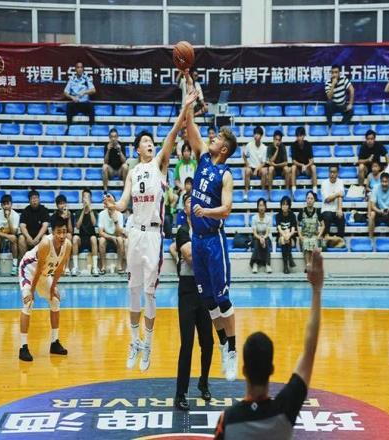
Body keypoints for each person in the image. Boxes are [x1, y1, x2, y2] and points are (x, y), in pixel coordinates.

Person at [103, 89, 194, 372]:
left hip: (154, 235)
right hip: (135, 233)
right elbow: (124, 203)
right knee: (133, 291)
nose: (150, 144)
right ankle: (135, 342)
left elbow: (173, 133)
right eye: (145, 142)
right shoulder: (132, 172)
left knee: (150, 293)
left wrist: (185, 108)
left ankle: (149, 345)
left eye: (151, 141)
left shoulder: (159, 165)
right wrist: (113, 206)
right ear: (137, 149)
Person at [214, 249, 324, 440]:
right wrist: (317, 289)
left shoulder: (228, 420)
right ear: (272, 369)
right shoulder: (285, 409)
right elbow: (310, 351)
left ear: (244, 370)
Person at [184, 70, 239, 381]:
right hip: (198, 241)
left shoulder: (226, 175)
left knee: (223, 299)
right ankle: (222, 344)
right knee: (208, 302)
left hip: (214, 241)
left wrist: (206, 210)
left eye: (217, 138)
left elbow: (227, 210)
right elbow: (190, 127)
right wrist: (189, 100)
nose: (212, 138)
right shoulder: (203, 158)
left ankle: (232, 349)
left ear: (225, 149)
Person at [174, 194, 214, 411]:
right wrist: (208, 254)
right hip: (188, 289)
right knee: (187, 343)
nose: (192, 203)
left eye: (194, 200)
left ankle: (203, 382)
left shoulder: (207, 229)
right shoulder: (182, 231)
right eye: (188, 201)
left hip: (205, 289)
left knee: (208, 342)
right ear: (185, 208)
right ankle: (180, 393)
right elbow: (190, 257)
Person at [18, 216, 72, 362]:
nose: (62, 235)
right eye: (58, 232)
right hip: (29, 270)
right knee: (28, 303)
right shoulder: (45, 243)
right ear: (52, 232)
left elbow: (60, 268)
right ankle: (23, 347)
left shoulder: (67, 245)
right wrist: (31, 291)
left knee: (55, 300)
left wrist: (53, 287)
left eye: (64, 232)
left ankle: (54, 343)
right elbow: (38, 269)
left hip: (43, 274)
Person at [73, 189, 99, 277]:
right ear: (82, 199)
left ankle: (95, 267)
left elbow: (94, 223)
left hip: (91, 239)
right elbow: (77, 226)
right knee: (75, 238)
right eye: (84, 197)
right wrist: (83, 211)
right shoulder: (78, 212)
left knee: (94, 238)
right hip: (82, 239)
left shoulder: (94, 212)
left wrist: (89, 210)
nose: (86, 199)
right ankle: (75, 267)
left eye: (87, 197)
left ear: (90, 199)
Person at [64, 60, 96, 129]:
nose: (80, 69)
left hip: (84, 104)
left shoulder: (86, 79)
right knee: (69, 106)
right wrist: (72, 97)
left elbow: (93, 90)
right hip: (75, 104)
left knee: (91, 107)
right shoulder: (71, 80)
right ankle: (69, 127)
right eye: (78, 67)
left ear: (83, 69)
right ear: (75, 69)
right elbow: (65, 92)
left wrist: (84, 92)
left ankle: (91, 128)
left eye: (81, 67)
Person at [0, 194, 19, 276]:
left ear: (11, 204)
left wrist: (8, 219)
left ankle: (15, 265)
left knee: (14, 238)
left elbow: (14, 232)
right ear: (1, 205)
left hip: (11, 235)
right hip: (1, 236)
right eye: (4, 204)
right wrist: (8, 236)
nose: (6, 206)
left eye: (8, 204)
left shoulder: (16, 215)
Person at [98, 196, 125, 274]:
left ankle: (119, 266)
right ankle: (103, 267)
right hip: (106, 236)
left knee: (120, 240)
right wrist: (111, 237)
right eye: (107, 201)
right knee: (101, 240)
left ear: (114, 203)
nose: (108, 202)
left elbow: (119, 233)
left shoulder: (119, 214)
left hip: (116, 236)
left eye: (110, 200)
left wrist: (115, 220)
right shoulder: (101, 214)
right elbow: (100, 232)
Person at [50, 194, 76, 276]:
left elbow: (71, 231)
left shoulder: (70, 215)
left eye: (64, 203)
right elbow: (54, 231)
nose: (62, 205)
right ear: (57, 206)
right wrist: (62, 218)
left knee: (69, 236)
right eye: (60, 204)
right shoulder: (54, 216)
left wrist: (68, 218)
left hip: (66, 238)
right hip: (57, 236)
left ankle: (66, 267)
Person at [18, 190, 50, 257]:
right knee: (21, 238)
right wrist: (28, 237)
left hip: (40, 236)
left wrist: (38, 238)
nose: (34, 200)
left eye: (36, 198)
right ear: (29, 200)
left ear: (39, 199)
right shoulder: (25, 211)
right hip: (29, 237)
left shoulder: (44, 210)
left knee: (45, 238)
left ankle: (42, 261)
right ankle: (25, 260)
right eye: (32, 198)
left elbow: (45, 225)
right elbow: (22, 226)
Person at [368, 172, 389, 239]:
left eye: (386, 182)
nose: (384, 184)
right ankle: (370, 238)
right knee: (372, 214)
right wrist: (380, 211)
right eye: (382, 181)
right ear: (380, 181)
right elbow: (372, 206)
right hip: (379, 212)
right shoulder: (375, 188)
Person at [298, 191, 324, 270]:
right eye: (308, 198)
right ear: (306, 199)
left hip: (314, 235)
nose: (309, 200)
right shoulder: (302, 211)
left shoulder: (318, 212)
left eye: (311, 198)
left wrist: (319, 236)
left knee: (313, 242)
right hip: (305, 235)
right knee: (306, 242)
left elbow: (323, 225)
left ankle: (311, 265)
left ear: (314, 200)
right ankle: (308, 265)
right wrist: (300, 236)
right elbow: (297, 225)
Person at [321, 164, 345, 239]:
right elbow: (327, 200)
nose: (332, 174)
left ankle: (340, 239)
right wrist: (337, 194)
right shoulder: (324, 183)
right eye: (330, 172)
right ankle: (326, 238)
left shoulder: (340, 182)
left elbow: (340, 196)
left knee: (341, 217)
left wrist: (340, 209)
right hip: (326, 210)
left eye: (334, 172)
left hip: (336, 210)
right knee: (327, 216)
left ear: (337, 173)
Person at [243, 126, 267, 200]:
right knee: (247, 170)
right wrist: (247, 164)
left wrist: (256, 169)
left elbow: (263, 163)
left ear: (261, 136)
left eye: (258, 134)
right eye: (255, 134)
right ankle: (246, 192)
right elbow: (244, 155)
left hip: (259, 169)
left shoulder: (264, 148)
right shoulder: (249, 145)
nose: (256, 136)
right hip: (251, 168)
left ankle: (262, 191)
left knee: (264, 171)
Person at [291, 126, 317, 194]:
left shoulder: (308, 144)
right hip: (298, 169)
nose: (299, 138)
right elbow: (293, 161)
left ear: (304, 136)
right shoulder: (293, 145)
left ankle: (315, 191)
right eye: (297, 136)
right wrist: (301, 165)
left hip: (307, 168)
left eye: (300, 136)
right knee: (293, 167)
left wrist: (306, 166)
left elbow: (312, 160)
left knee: (313, 167)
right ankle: (294, 191)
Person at [250, 198, 272, 274]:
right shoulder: (254, 218)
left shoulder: (269, 218)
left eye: (263, 205)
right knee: (257, 242)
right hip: (256, 237)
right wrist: (260, 238)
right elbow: (254, 233)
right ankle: (255, 264)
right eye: (260, 205)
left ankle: (267, 264)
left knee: (266, 241)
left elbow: (267, 233)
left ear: (265, 207)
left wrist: (263, 238)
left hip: (266, 237)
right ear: (257, 207)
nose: (261, 207)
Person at [103, 128, 128, 193]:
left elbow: (124, 161)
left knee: (125, 166)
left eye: (115, 136)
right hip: (111, 171)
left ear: (117, 137)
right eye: (111, 137)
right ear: (109, 138)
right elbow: (105, 162)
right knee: (104, 166)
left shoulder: (121, 145)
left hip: (120, 171)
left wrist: (120, 151)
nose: (113, 139)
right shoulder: (106, 146)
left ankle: (125, 189)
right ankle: (105, 190)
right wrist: (108, 150)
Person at [276, 196, 297, 275]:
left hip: (291, 238)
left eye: (286, 204)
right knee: (283, 239)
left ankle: (285, 266)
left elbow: (293, 230)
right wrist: (285, 236)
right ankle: (289, 259)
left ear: (289, 206)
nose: (284, 206)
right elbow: (279, 229)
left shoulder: (292, 215)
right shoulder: (278, 215)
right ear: (281, 205)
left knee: (287, 236)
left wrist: (288, 235)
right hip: (281, 237)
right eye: (283, 204)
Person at [267, 130, 291, 195]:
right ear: (273, 139)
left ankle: (287, 191)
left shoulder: (283, 147)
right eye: (276, 139)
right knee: (271, 168)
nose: (277, 141)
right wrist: (277, 150)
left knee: (287, 169)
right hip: (274, 171)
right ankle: (270, 192)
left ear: (281, 140)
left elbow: (286, 163)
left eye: (279, 140)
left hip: (281, 170)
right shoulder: (270, 147)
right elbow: (270, 161)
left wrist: (276, 165)